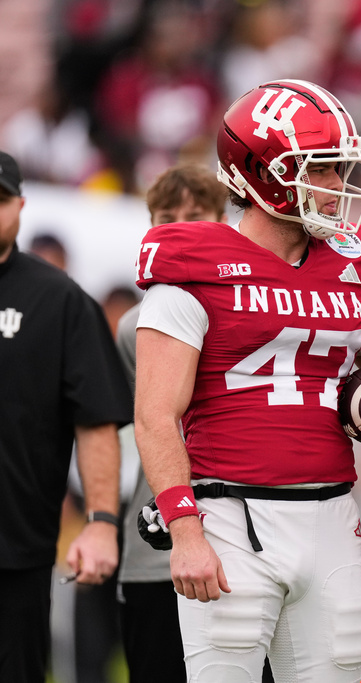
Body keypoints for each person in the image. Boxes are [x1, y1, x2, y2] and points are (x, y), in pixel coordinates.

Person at [132, 79, 361, 682]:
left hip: (331, 514)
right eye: (320, 170)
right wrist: (185, 529)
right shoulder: (193, 264)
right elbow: (154, 414)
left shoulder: (351, 265)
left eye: (338, 170)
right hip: (229, 516)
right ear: (260, 172)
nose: (336, 188)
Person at [0, 149, 133, 682]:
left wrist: (101, 524)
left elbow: (95, 421)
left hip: (15, 548)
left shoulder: (60, 301)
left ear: (21, 206)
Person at [115, 164, 230, 683]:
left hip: (243, 532)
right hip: (154, 542)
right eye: (166, 217)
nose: (180, 226)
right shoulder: (129, 326)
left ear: (224, 221)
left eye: (196, 215)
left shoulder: (254, 306)